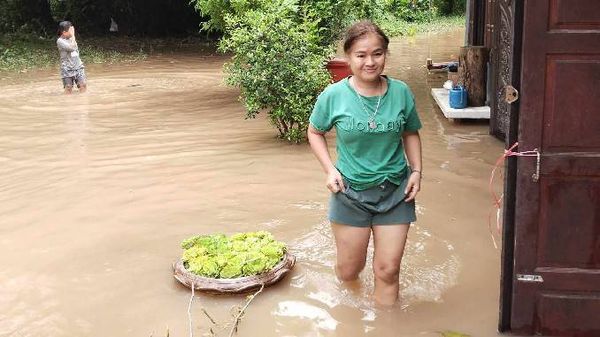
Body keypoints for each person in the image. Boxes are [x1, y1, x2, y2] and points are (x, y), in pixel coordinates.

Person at [307, 21, 423, 306]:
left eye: (378, 53)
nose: (370, 62)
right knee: (349, 272)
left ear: (385, 55)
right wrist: (329, 169)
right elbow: (314, 132)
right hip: (350, 194)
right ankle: (349, 314)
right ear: (348, 57)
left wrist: (417, 171)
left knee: (388, 270)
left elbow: (410, 132)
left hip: (396, 192)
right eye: (361, 55)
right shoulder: (333, 95)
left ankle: (386, 326)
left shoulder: (401, 92)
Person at [57, 21, 87, 94]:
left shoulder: (71, 38)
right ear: (64, 32)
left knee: (83, 85)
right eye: (70, 31)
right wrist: (73, 35)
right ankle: (67, 103)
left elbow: (75, 47)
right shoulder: (60, 41)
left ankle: (83, 101)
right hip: (67, 68)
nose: (72, 32)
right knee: (68, 87)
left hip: (78, 66)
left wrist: (72, 36)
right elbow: (72, 48)